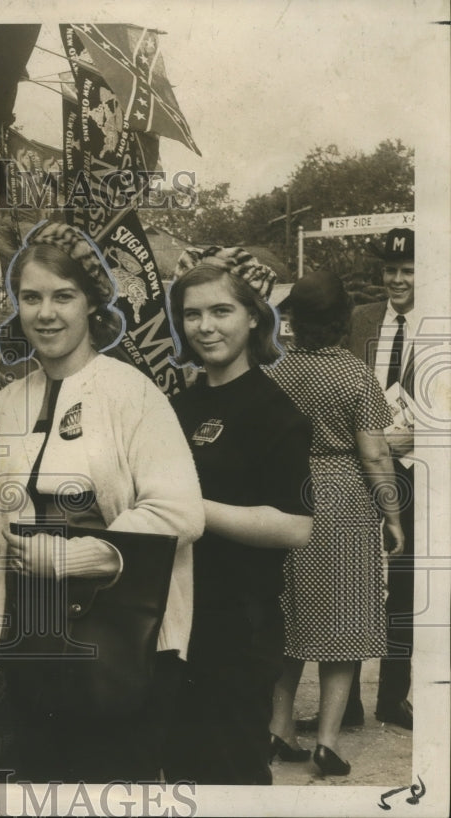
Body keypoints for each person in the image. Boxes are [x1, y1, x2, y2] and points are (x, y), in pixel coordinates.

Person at [0, 234, 205, 782]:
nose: (45, 313)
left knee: (115, 784)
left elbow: (181, 512)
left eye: (63, 296)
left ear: (92, 304)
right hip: (32, 638)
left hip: (124, 637)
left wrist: (74, 557)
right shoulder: (9, 401)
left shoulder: (133, 394)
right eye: (31, 298)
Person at [160, 248, 314, 786]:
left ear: (253, 316)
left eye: (221, 311)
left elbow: (297, 525)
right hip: (172, 620)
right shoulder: (177, 409)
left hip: (238, 628)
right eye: (192, 313)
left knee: (230, 773)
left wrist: (193, 510)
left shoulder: (276, 413)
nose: (205, 327)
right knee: (179, 773)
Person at [267, 268, 405, 776]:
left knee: (290, 618)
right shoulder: (354, 374)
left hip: (285, 500)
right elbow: (373, 454)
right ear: (343, 319)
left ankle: (278, 728)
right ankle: (326, 742)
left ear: (296, 321)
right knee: (343, 622)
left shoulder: (276, 372)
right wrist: (392, 515)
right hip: (344, 499)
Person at [298, 229, 416, 733]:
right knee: (344, 589)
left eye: (408, 270)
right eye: (390, 270)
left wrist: (424, 436)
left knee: (407, 586)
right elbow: (338, 381)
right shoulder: (362, 319)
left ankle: (392, 697)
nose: (396, 279)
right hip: (355, 469)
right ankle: (341, 708)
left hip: (419, 469)